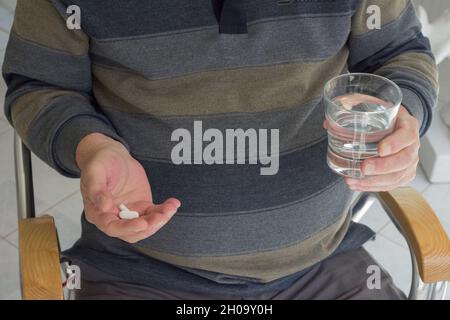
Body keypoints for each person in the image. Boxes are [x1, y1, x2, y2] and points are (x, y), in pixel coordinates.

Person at [2, 0, 438, 299]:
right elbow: (41, 85)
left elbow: (398, 53)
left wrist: (405, 118)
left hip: (322, 267)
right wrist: (91, 146)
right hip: (135, 273)